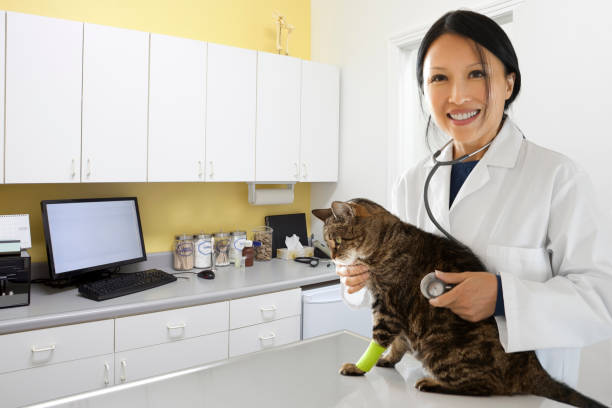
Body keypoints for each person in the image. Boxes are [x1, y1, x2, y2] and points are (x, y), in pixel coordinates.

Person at [338, 9, 612, 387]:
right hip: (425, 386)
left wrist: (502, 297)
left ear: (509, 83)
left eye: (477, 73)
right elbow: (392, 291)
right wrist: (360, 276)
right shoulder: (411, 182)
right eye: (439, 78)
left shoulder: (557, 177)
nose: (457, 95)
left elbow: (601, 302)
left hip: (523, 396)